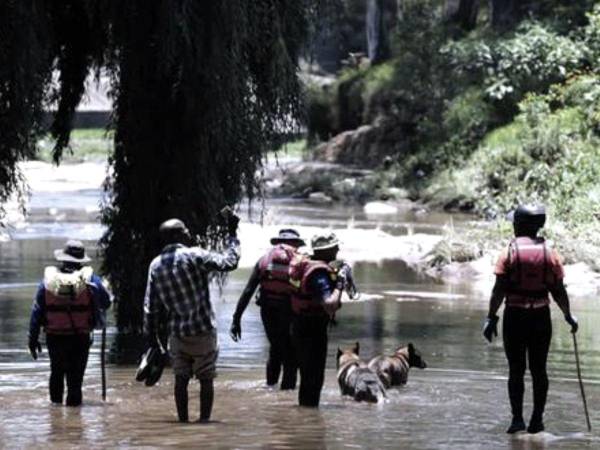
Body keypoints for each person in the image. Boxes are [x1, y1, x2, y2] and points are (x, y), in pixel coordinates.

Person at [483, 204, 578, 434]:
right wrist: (568, 316)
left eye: (514, 223)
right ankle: (537, 420)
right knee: (539, 370)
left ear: (519, 226)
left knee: (516, 370)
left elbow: (499, 290)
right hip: (540, 319)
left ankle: (517, 420)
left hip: (515, 318)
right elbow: (558, 290)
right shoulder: (550, 254)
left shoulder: (509, 253)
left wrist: (491, 317)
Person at [143, 214, 240, 423]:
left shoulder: (155, 265)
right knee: (206, 378)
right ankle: (204, 423)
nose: (189, 232)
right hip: (203, 330)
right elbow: (230, 262)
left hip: (177, 334)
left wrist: (154, 343)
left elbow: (150, 309)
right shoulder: (195, 255)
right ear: (178, 235)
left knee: (181, 378)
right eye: (185, 230)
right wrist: (232, 233)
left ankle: (183, 423)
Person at [28, 239, 112, 406]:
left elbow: (37, 311)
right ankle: (75, 418)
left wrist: (32, 338)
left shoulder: (48, 282)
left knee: (56, 373)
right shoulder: (91, 281)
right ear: (81, 261)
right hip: (80, 337)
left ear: (63, 259)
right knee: (75, 380)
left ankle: (55, 413)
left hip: (55, 336)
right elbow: (106, 303)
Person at [230, 229, 305, 390]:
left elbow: (248, 291)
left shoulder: (264, 260)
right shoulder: (300, 261)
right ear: (296, 244)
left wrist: (236, 319)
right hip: (289, 312)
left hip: (268, 312)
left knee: (275, 348)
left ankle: (270, 389)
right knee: (290, 357)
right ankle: (285, 398)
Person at [289, 232, 350, 407]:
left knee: (308, 378)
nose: (338, 249)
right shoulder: (319, 274)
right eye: (334, 246)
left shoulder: (307, 265)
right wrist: (340, 282)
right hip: (311, 330)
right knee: (314, 379)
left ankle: (304, 417)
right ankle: (309, 422)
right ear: (326, 250)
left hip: (299, 325)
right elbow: (330, 304)